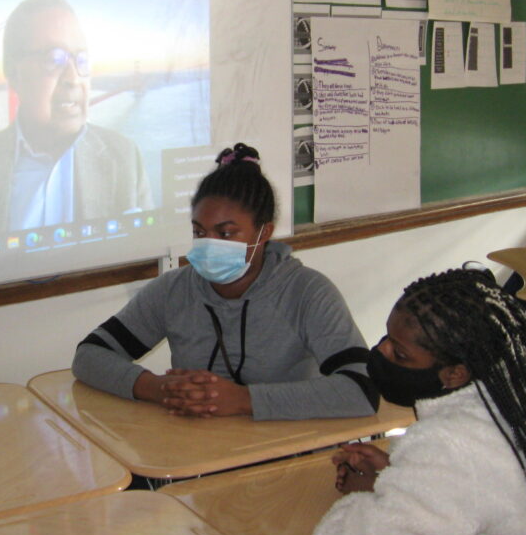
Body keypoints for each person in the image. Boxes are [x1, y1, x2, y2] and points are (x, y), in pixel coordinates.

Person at [308, 268, 526, 535]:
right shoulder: (514, 405)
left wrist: (363, 498)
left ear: (454, 374)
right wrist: (397, 478)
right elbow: (472, 493)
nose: (381, 350)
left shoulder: (450, 444)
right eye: (387, 337)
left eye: (400, 354)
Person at [71, 143, 378, 421]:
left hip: (287, 450)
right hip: (198, 449)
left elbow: (362, 389)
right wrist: (158, 388)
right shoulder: (174, 290)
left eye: (226, 233)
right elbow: (89, 355)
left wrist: (244, 400)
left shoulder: (307, 292)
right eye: (199, 232)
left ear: (264, 233)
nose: (209, 244)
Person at [0, 0, 152, 243]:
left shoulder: (125, 157)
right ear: (12, 71)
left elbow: (148, 258)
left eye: (81, 60)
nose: (74, 78)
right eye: (54, 60)